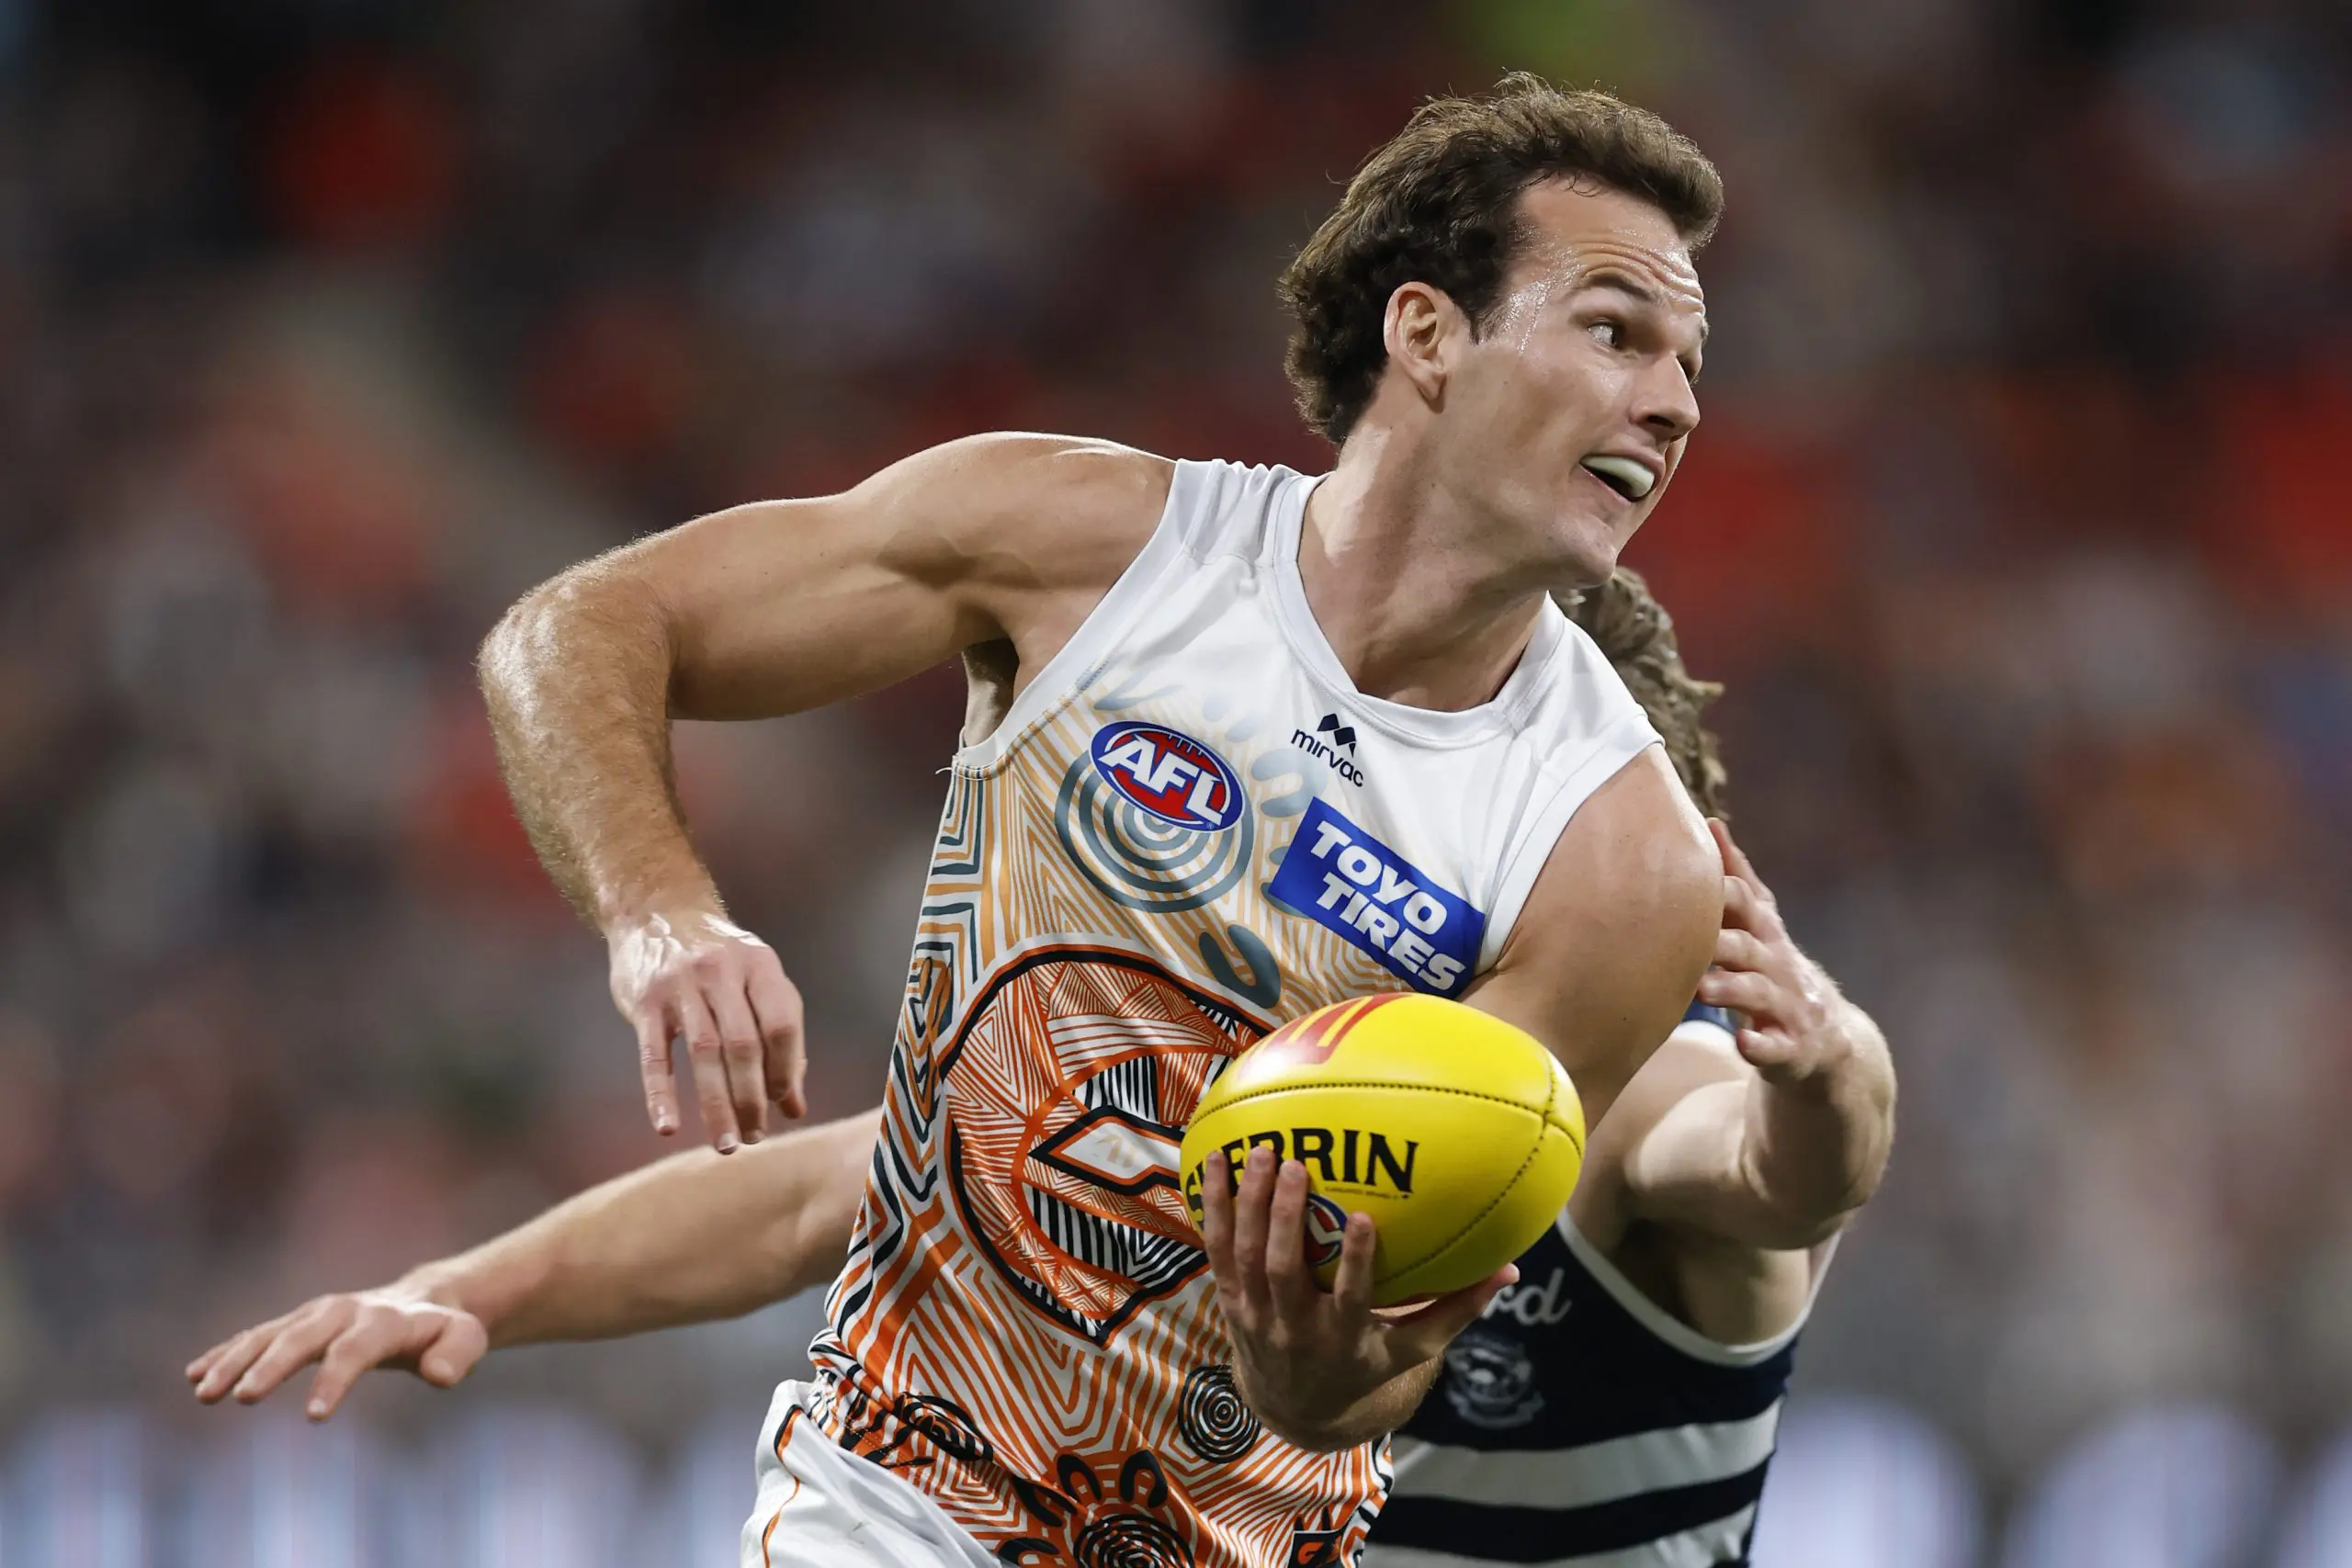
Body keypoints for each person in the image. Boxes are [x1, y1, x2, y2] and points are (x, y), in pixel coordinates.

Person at [202, 76, 1733, 1568]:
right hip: (891, 1495)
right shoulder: (1080, 547)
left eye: (1688, 363)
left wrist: (1317, 1355)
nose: (1671, 404)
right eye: (1616, 331)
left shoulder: (1620, 861)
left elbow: (1368, 1384)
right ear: (1427, 333)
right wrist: (664, 915)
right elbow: (581, 629)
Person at [196, 572, 1895, 1566]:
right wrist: (470, 1286)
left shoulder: (1634, 1109)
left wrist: (1820, 1051)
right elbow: (836, 1189)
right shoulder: (1298, 1071)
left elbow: (1785, 1169)